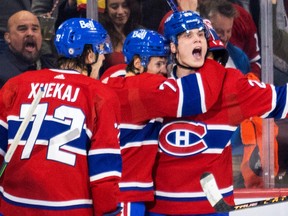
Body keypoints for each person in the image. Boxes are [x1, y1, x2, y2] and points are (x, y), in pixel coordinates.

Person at [145, 10, 288, 216]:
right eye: (188, 35)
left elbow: (282, 99)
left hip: (209, 209)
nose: (197, 40)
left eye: (200, 35)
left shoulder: (231, 87)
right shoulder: (155, 85)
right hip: (161, 208)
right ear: (173, 47)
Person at [0, 17, 122, 216]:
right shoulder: (100, 95)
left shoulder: (16, 85)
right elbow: (104, 170)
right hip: (70, 208)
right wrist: (109, 212)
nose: (102, 62)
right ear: (89, 55)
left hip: (14, 206)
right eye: (100, 55)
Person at [100, 29, 169, 216]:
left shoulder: (115, 75)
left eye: (166, 63)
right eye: (159, 63)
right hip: (126, 192)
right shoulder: (142, 92)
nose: (164, 70)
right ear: (138, 63)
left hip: (131, 190)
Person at [0, 10, 57, 88]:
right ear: (8, 37)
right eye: (22, 29)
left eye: (34, 29)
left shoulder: (52, 67)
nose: (30, 33)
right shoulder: (2, 73)